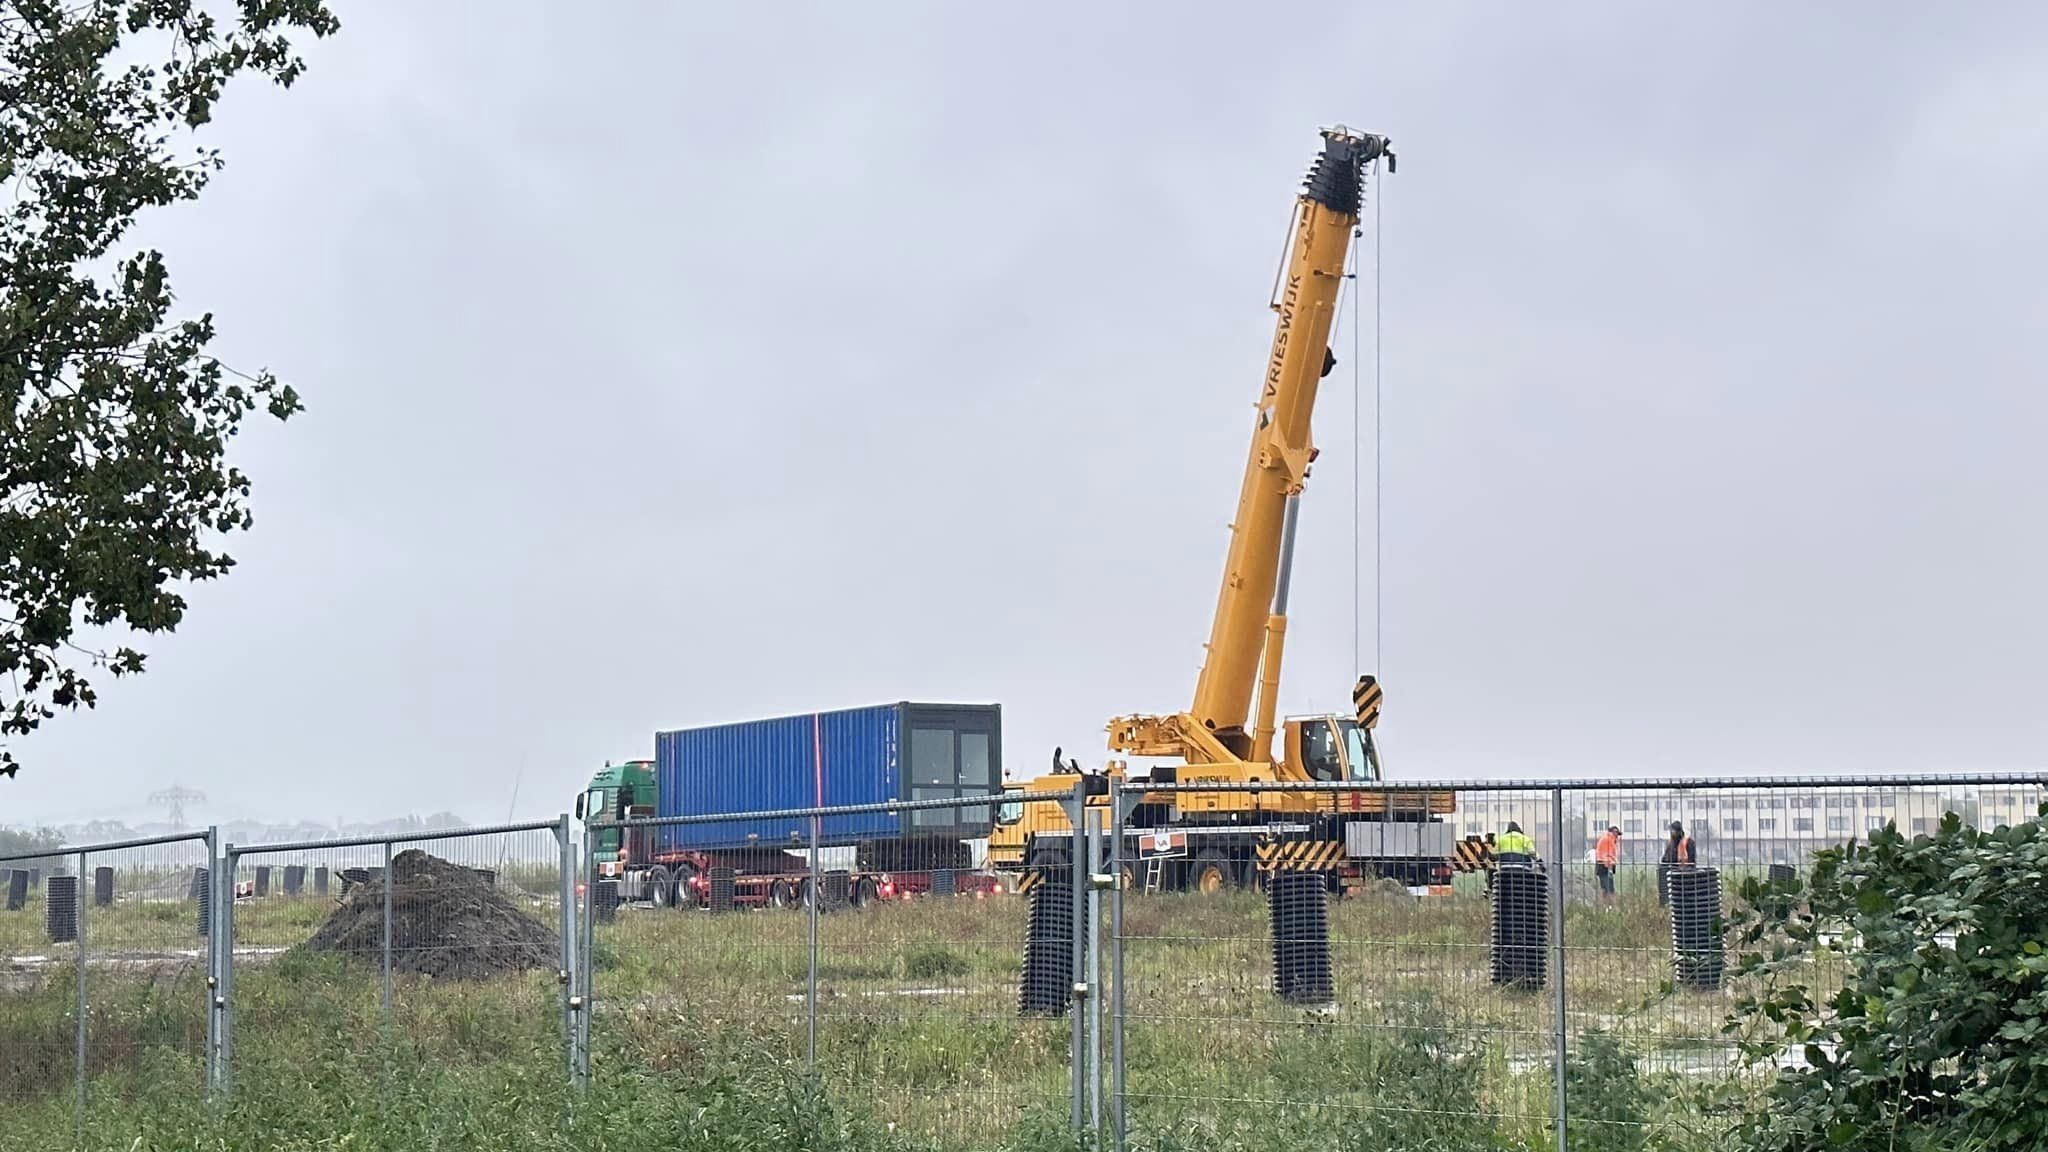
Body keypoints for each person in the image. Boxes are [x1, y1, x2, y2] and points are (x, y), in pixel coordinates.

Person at [1658, 821, 1694, 906]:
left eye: (1673, 831)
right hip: (1672, 877)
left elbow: (1692, 861)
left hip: (1686, 878)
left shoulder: (1689, 842)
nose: (1671, 833)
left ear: (1679, 831)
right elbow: (1665, 859)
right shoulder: (1670, 844)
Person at [1594, 825, 1622, 906]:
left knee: (1604, 889)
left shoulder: (1607, 839)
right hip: (1605, 865)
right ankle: (1614, 907)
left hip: (1602, 865)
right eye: (1617, 834)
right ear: (1613, 833)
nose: (1618, 837)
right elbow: (1607, 856)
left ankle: (1604, 906)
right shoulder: (1609, 840)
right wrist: (1610, 868)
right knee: (1610, 889)